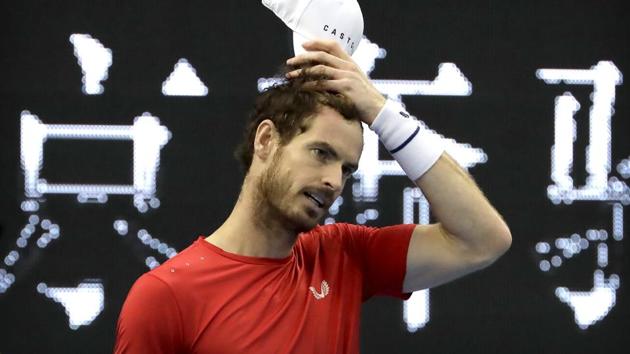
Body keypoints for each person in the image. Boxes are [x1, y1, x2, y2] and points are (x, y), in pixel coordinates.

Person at [113, 39, 511, 353]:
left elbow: (482, 240)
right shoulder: (165, 297)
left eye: (346, 168)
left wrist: (381, 111)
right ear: (266, 140)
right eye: (321, 153)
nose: (333, 181)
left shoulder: (343, 256)